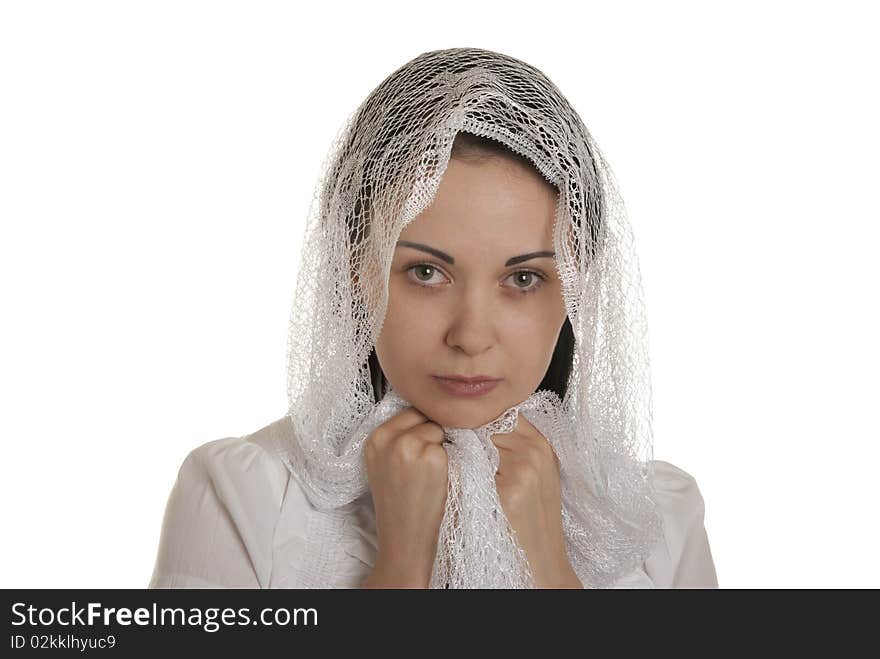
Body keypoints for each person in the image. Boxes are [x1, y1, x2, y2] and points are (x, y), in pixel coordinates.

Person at [149, 47, 718, 589]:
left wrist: (550, 568)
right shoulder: (243, 495)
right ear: (355, 269)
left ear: (576, 287)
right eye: (426, 273)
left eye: (523, 278)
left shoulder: (654, 521)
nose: (470, 337)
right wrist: (399, 568)